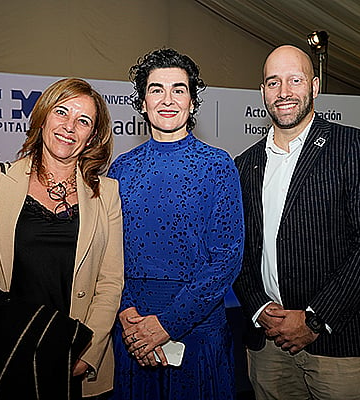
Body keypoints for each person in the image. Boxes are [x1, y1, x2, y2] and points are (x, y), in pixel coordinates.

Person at [234, 44, 360, 400]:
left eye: (295, 80)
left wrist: (314, 319)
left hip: (340, 343)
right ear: (262, 92)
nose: (285, 92)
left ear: (316, 86)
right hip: (268, 345)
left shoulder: (353, 147)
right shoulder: (243, 165)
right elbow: (238, 250)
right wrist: (260, 308)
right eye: (273, 82)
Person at [0, 78, 124, 399]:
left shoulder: (107, 194)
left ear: (92, 137)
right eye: (61, 112)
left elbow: (110, 283)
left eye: (83, 121)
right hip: (5, 351)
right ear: (43, 117)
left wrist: (86, 350)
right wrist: (18, 338)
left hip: (72, 358)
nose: (69, 127)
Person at [108, 48, 244, 400]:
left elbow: (226, 258)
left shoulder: (217, 165)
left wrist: (167, 324)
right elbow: (107, 252)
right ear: (142, 102)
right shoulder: (121, 169)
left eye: (178, 90)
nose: (167, 100)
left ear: (192, 102)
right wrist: (126, 313)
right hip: (133, 330)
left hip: (197, 332)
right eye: (156, 90)